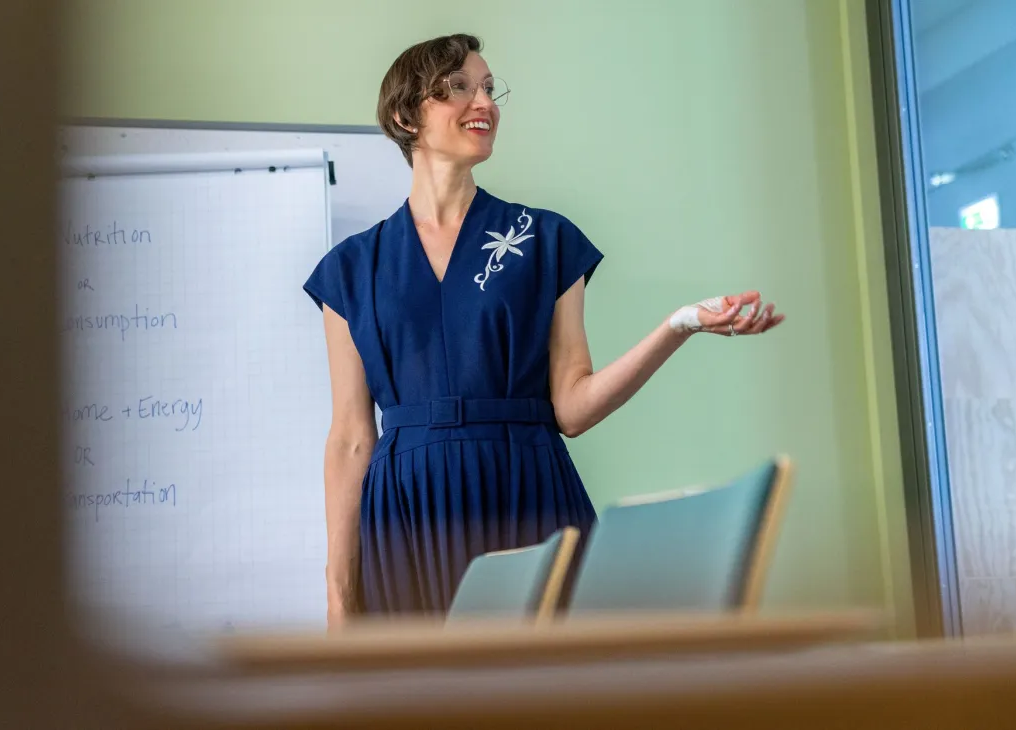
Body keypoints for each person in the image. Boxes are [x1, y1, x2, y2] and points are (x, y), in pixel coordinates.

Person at [303, 33, 784, 627]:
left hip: (524, 492)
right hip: (407, 514)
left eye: (487, 88)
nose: (483, 103)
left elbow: (573, 408)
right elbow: (352, 438)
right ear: (406, 116)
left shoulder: (545, 240)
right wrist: (339, 593)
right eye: (457, 88)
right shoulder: (352, 269)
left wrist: (678, 325)